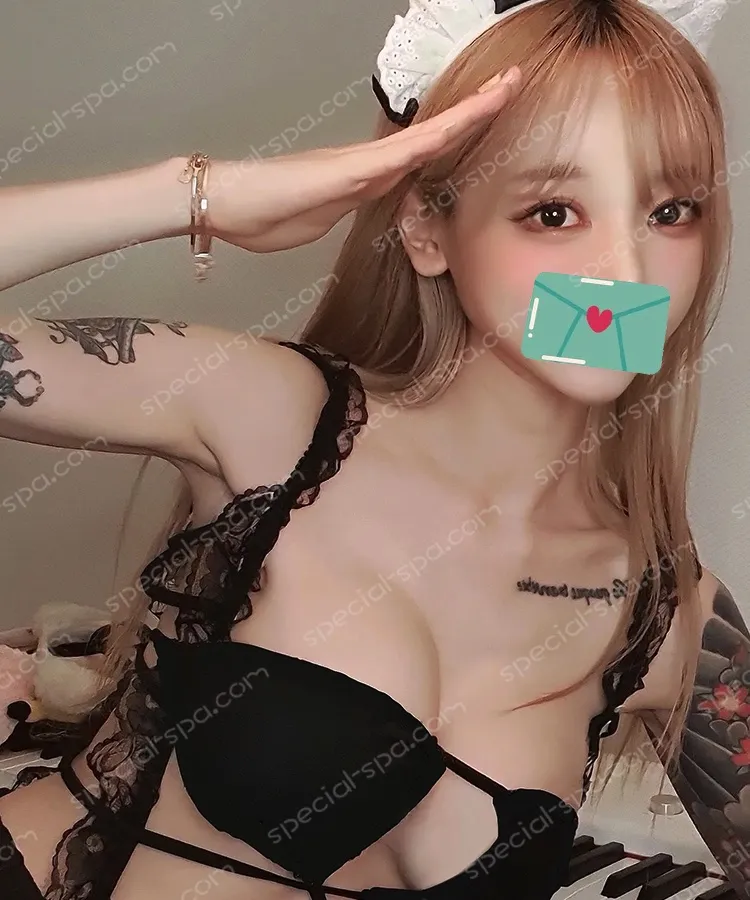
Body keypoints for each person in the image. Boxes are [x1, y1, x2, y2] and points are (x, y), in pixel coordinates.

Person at [0, 0, 745, 897]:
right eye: (553, 212)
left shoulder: (668, 612)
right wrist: (203, 197)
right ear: (428, 231)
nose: (624, 273)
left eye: (670, 210)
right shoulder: (273, 418)